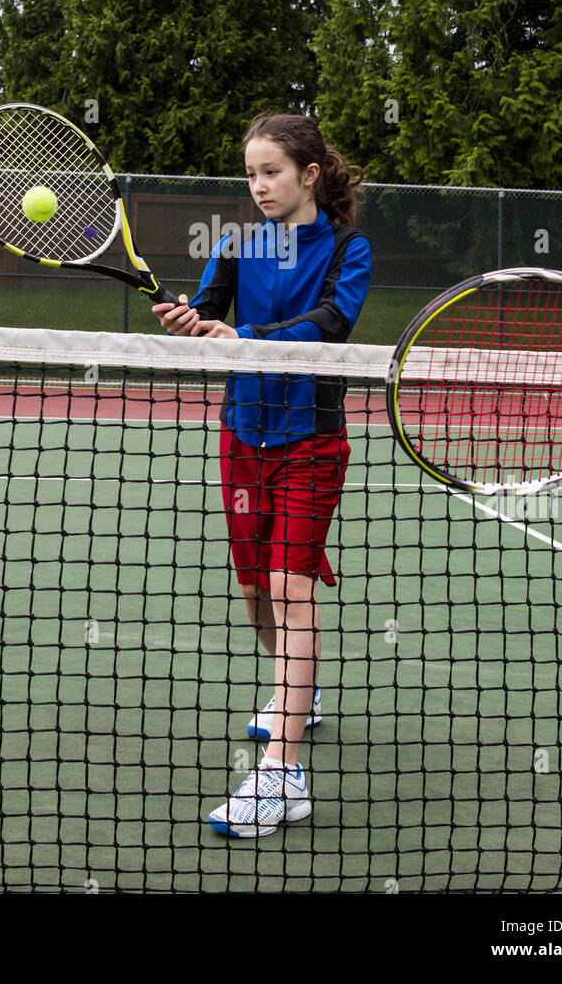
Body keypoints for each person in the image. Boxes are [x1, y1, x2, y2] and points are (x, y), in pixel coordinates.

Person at [152, 112, 371, 837]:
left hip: (312, 439)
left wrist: (242, 335)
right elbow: (210, 310)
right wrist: (191, 318)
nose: (259, 186)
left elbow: (331, 324)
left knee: (290, 586)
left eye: (271, 171)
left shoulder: (348, 247)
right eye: (250, 174)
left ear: (309, 175)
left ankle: (282, 774)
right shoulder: (238, 243)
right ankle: (296, 694)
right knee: (252, 588)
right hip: (243, 436)